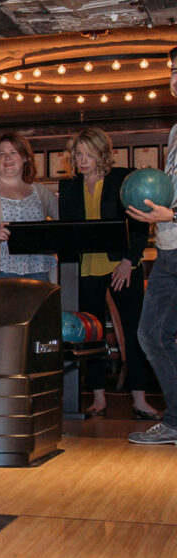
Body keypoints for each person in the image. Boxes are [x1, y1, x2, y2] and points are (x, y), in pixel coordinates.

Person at [60, 128, 159, 420]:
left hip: (123, 267)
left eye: (88, 153)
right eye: (78, 154)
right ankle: (99, 399)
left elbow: (141, 225)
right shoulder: (69, 186)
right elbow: (69, 231)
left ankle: (140, 401)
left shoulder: (123, 179)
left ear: (103, 152)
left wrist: (130, 260)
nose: (82, 159)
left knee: (134, 333)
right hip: (87, 268)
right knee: (90, 335)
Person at [128, 53, 177, 446]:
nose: (176, 80)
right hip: (168, 250)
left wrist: (172, 214)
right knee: (151, 335)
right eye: (174, 72)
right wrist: (162, 218)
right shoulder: (176, 131)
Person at [0, 132, 58, 282]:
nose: (7, 158)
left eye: (13, 152)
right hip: (1, 270)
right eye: (2, 154)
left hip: (39, 269)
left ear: (25, 157)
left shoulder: (40, 191)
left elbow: (62, 219)